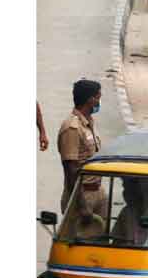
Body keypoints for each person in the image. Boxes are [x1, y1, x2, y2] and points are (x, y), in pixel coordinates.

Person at [58, 79, 106, 220]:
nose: (99, 102)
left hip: (97, 190)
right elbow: (70, 169)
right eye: (98, 98)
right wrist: (81, 205)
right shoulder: (72, 128)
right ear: (90, 100)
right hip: (82, 195)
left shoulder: (88, 123)